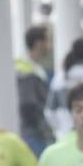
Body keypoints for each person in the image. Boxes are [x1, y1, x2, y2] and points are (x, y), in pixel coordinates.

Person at [17, 24, 55, 156]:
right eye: (47, 41)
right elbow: (29, 105)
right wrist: (42, 128)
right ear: (39, 43)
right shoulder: (27, 71)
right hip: (34, 134)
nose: (50, 46)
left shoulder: (33, 68)